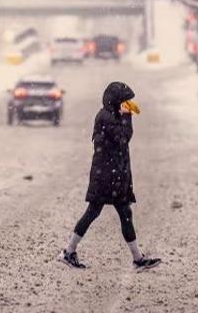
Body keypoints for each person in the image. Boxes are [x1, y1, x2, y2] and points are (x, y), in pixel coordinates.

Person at [58, 81, 161, 270]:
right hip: (107, 177)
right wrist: (127, 116)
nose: (128, 104)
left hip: (114, 176)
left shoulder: (111, 114)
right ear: (116, 101)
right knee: (97, 212)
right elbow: (123, 138)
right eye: (125, 101)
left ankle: (136, 258)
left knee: (120, 213)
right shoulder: (106, 118)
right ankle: (69, 251)